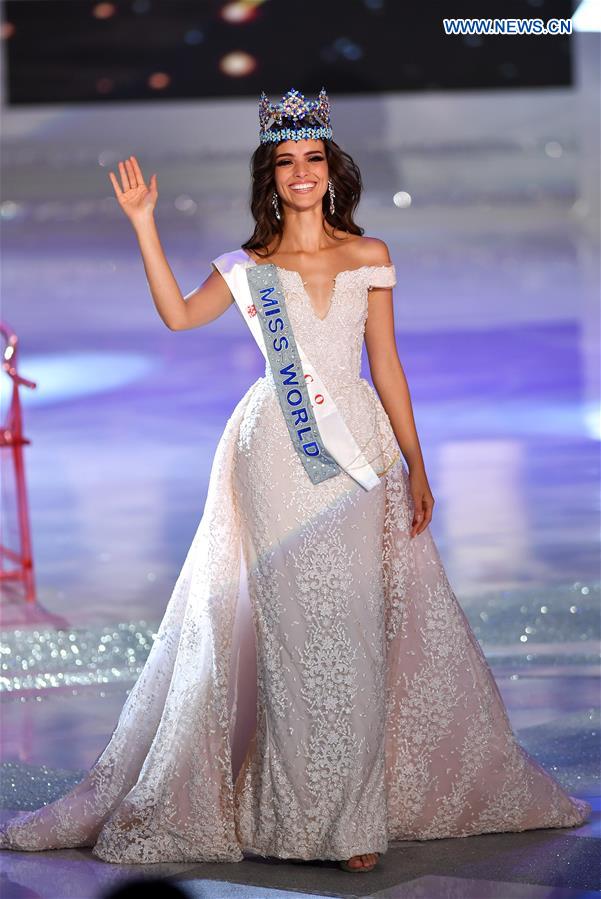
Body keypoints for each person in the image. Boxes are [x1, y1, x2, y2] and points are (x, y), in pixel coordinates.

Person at [0, 88, 590, 874]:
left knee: (352, 631)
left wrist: (415, 461)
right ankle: (300, 817)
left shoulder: (369, 254)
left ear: (331, 169)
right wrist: (144, 223)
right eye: (286, 162)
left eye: (312, 159)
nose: (301, 173)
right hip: (274, 451)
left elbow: (384, 362)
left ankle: (351, 815)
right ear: (269, 177)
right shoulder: (248, 267)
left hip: (360, 456)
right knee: (292, 637)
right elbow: (178, 316)